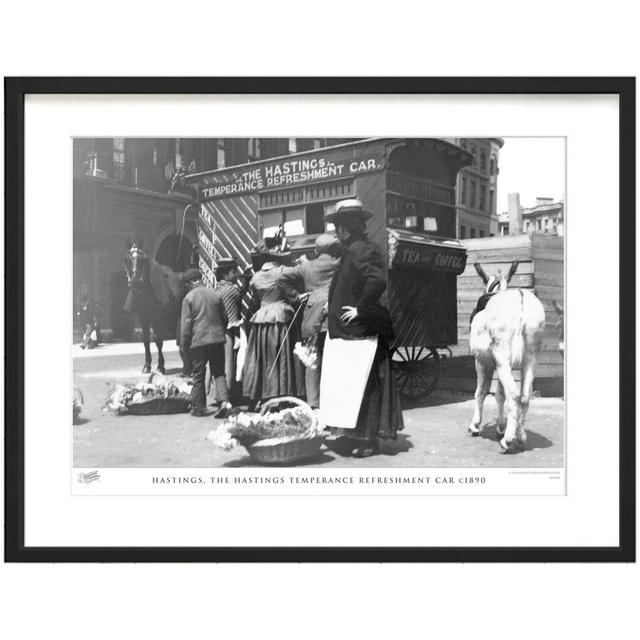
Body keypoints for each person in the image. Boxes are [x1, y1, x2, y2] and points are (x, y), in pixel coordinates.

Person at [319, 198, 404, 457]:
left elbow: (376, 281)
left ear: (347, 227)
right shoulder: (352, 250)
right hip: (348, 335)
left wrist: (361, 309)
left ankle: (368, 440)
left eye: (338, 226)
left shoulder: (362, 250)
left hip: (360, 333)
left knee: (364, 386)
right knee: (350, 386)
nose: (336, 231)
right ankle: (352, 434)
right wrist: (331, 304)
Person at [278, 234, 341, 408]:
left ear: (316, 250)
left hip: (312, 317)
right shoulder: (339, 264)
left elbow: (282, 280)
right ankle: (333, 402)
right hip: (334, 315)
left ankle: (313, 403)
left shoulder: (307, 266)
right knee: (335, 360)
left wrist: (296, 297)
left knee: (313, 360)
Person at [242, 246, 305, 407]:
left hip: (262, 318)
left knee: (263, 358)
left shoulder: (256, 277)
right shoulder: (282, 271)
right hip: (280, 316)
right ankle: (283, 392)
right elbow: (301, 273)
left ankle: (263, 394)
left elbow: (256, 299)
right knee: (282, 356)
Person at [180, 268, 232, 418]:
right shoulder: (215, 294)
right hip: (217, 340)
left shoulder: (189, 298)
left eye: (186, 284)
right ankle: (224, 402)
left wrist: (185, 346)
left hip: (198, 342)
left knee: (198, 375)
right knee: (219, 372)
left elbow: (186, 327)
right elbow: (225, 318)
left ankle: (198, 407)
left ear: (190, 282)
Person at [215, 258, 250, 404]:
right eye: (234, 272)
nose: (236, 275)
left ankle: (219, 393)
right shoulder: (231, 290)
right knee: (230, 363)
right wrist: (247, 280)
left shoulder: (218, 288)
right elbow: (239, 294)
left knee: (219, 363)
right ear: (225, 274)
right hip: (229, 331)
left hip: (219, 330)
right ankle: (229, 393)